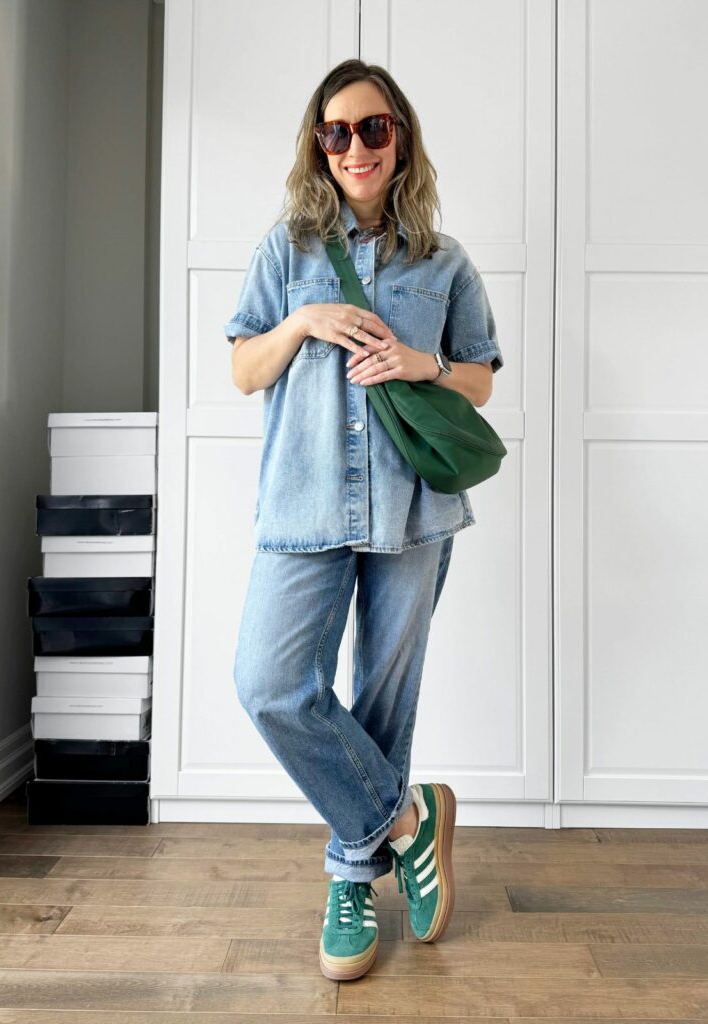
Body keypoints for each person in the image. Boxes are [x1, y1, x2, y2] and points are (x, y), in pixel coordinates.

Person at [223, 59, 504, 982]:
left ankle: (353, 875)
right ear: (318, 144)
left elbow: (480, 379)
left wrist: (419, 364)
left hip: (412, 506)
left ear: (402, 139)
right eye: (335, 132)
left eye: (373, 129)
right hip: (302, 500)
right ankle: (406, 818)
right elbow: (243, 370)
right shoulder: (286, 251)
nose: (354, 147)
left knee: (382, 705)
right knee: (270, 681)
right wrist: (305, 323)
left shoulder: (445, 260)